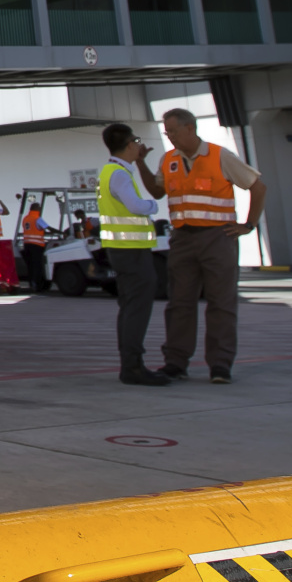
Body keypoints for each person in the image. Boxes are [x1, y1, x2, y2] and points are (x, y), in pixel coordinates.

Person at [149, 107, 269, 385]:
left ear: (190, 129)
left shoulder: (220, 156)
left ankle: (220, 365)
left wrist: (249, 225)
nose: (170, 137)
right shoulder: (168, 160)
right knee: (180, 303)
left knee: (221, 302)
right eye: (167, 133)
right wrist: (141, 165)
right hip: (182, 239)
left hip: (217, 237)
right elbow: (157, 191)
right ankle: (175, 363)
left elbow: (258, 187)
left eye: (174, 132)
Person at [98, 124, 168, 386]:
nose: (140, 145)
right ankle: (133, 367)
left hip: (122, 251)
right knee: (137, 309)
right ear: (129, 145)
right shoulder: (119, 175)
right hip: (132, 252)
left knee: (129, 308)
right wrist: (154, 204)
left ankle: (131, 364)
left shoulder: (110, 171)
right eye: (137, 141)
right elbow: (136, 205)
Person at [20, 197, 50, 291]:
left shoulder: (26, 218)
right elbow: (47, 228)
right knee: (37, 266)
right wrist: (61, 233)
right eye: (39, 208)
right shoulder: (37, 218)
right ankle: (37, 284)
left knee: (30, 266)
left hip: (27, 244)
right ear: (37, 209)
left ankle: (31, 283)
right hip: (37, 246)